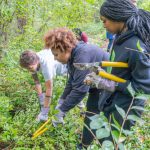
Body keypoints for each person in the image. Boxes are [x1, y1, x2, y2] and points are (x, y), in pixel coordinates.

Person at [84, 0, 150, 143]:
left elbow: (144, 88)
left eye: (105, 20)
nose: (103, 25)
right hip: (111, 102)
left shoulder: (136, 48)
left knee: (112, 142)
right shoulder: (120, 38)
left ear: (117, 17)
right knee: (104, 141)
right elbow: (120, 67)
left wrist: (110, 84)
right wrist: (102, 74)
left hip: (125, 109)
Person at [44, 27, 109, 148]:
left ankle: (105, 144)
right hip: (98, 86)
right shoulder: (73, 56)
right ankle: (84, 145)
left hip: (111, 87)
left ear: (66, 48)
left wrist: (61, 111)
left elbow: (80, 90)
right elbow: (72, 82)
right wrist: (62, 101)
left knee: (106, 119)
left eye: (56, 54)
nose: (55, 58)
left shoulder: (82, 55)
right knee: (91, 116)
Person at [20, 49, 67, 121]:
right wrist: (41, 99)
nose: (29, 70)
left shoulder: (46, 65)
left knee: (73, 91)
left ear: (36, 62)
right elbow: (36, 82)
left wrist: (44, 111)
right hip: (56, 67)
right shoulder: (32, 59)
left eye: (30, 68)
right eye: (27, 69)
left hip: (65, 69)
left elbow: (49, 88)